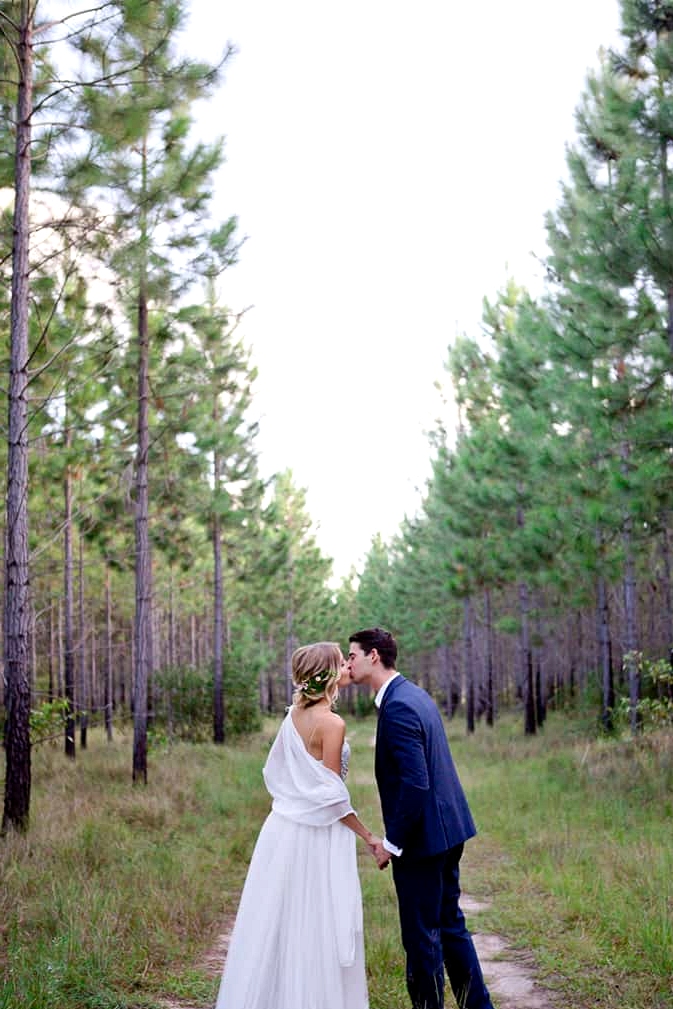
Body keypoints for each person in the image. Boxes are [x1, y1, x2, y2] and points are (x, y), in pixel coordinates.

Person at [215, 641, 377, 1009]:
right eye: (341, 664)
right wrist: (368, 836)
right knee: (316, 921)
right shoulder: (332, 723)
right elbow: (331, 796)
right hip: (316, 834)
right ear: (330, 674)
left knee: (282, 920)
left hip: (283, 829)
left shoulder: (292, 717)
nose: (347, 668)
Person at [347, 627, 495, 1009]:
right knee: (449, 925)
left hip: (423, 841)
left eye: (353, 655)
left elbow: (415, 783)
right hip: (449, 831)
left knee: (421, 938)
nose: (349, 663)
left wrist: (391, 844)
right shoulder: (414, 694)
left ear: (374, 656)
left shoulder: (397, 706)